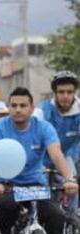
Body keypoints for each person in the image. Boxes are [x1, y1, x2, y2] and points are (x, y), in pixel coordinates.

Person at [0, 87, 78, 234]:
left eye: (23, 105)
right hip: (8, 185)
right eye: (14, 105)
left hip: (35, 185)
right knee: (8, 206)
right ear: (8, 108)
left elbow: (57, 155)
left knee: (56, 215)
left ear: (31, 108)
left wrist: (69, 178)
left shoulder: (43, 127)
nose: (18, 109)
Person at [38, 71, 80, 210]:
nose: (65, 96)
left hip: (68, 156)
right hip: (43, 158)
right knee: (41, 194)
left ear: (75, 92)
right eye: (61, 92)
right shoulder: (42, 111)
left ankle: (72, 220)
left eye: (70, 92)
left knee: (72, 184)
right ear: (54, 93)